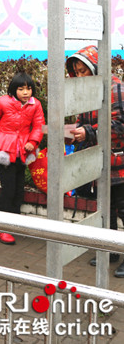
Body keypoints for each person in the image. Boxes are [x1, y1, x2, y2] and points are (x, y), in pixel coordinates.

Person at [66, 45, 124, 277]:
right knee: (106, 210)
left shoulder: (116, 88)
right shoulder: (87, 91)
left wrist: (88, 132)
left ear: (97, 68)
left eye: (84, 71)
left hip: (119, 165)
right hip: (98, 163)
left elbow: (120, 126)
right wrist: (75, 131)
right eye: (76, 72)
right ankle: (110, 251)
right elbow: (83, 122)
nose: (80, 76)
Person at [0, 72, 45, 245]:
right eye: (21, 88)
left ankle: (14, 223)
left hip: (23, 150)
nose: (26, 92)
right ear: (13, 89)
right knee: (8, 189)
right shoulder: (3, 102)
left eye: (29, 88)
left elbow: (38, 125)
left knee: (18, 189)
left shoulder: (35, 105)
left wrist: (33, 141)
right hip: (4, 148)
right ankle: (0, 228)